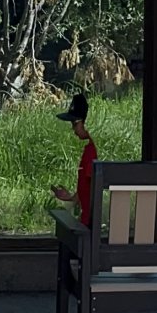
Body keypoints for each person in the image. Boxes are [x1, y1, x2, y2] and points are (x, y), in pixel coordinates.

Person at [50, 91, 101, 227]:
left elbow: (93, 190)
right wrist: (71, 197)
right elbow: (87, 189)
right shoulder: (89, 148)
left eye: (74, 123)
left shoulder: (91, 150)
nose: (73, 129)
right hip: (86, 217)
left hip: (88, 221)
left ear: (85, 122)